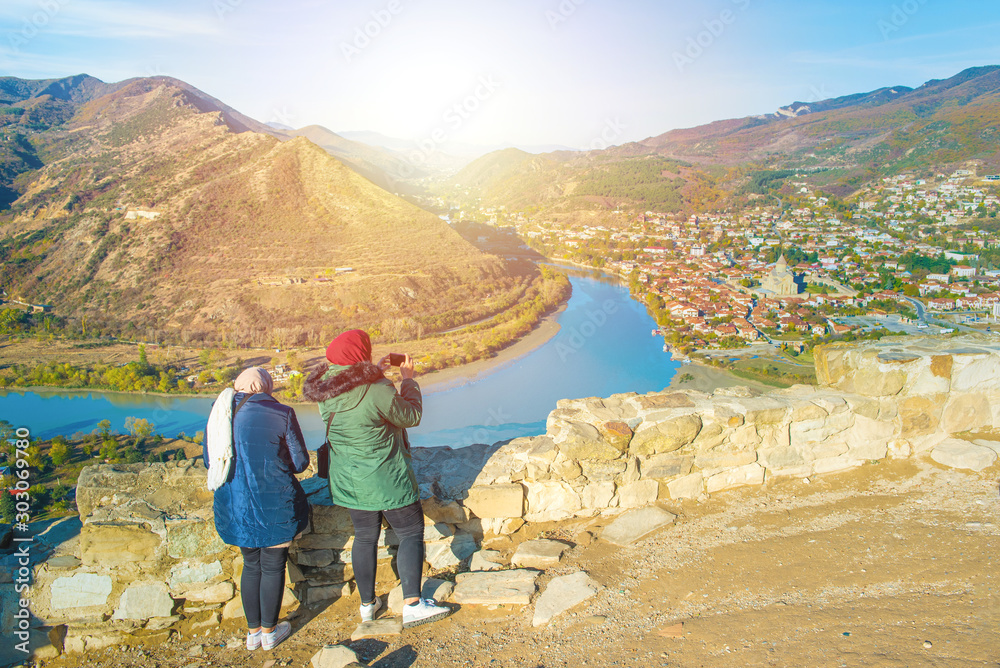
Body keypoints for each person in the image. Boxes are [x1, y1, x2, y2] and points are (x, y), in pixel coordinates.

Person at [303, 329, 451, 628]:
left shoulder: (326, 392)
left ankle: (368, 606)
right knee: (410, 533)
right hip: (387, 478)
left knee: (365, 537)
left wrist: (372, 372)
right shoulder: (377, 389)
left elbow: (354, 399)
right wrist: (407, 379)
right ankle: (412, 604)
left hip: (349, 481)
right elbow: (409, 416)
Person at [204, 367, 309, 651]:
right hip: (275, 502)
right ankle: (270, 632)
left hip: (235, 505)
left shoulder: (220, 413)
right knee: (273, 567)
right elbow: (300, 464)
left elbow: (210, 460)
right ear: (266, 386)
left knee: (251, 566)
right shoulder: (282, 413)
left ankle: (253, 634)